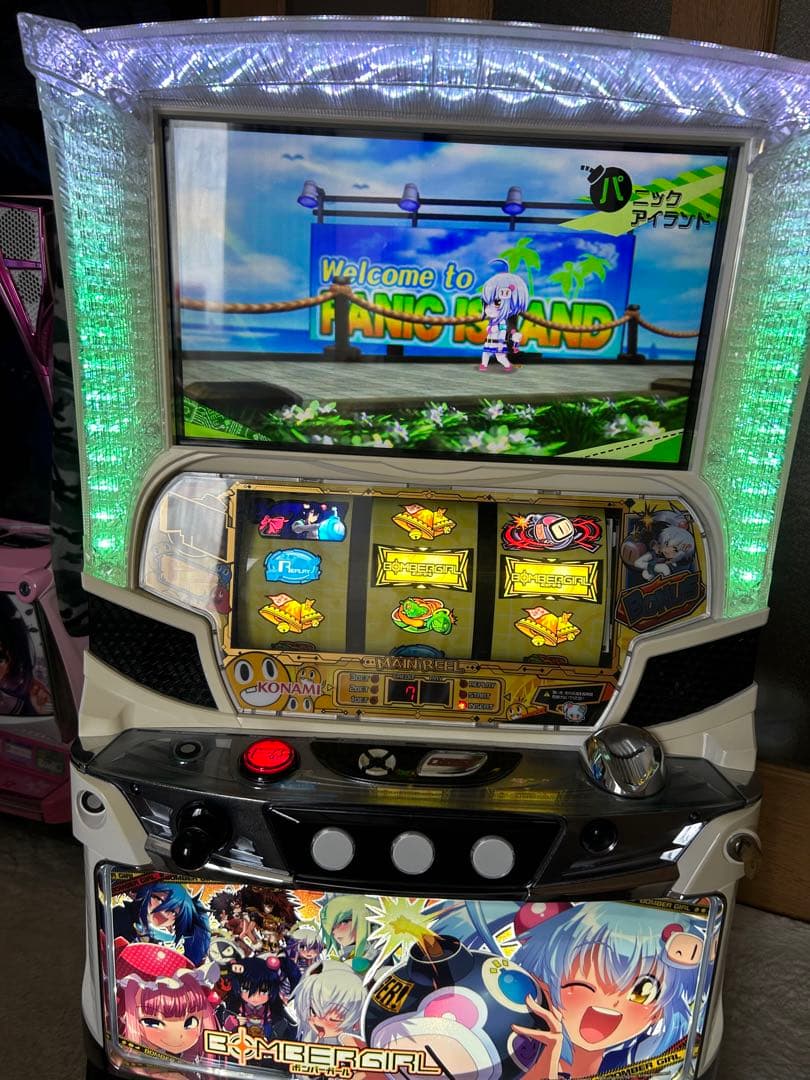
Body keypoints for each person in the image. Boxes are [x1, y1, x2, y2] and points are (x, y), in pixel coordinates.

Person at [512, 902, 702, 1079]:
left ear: (658, 1012)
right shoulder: (520, 1051)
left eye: (642, 993)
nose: (610, 1007)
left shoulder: (640, 1060)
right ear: (545, 983)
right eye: (581, 985)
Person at [478, 272, 528, 372]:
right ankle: (484, 365)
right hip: (489, 341)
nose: (490, 308)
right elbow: (490, 329)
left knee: (499, 357)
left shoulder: (502, 322)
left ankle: (507, 365)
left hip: (497, 342)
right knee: (486, 353)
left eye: (497, 303)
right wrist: (490, 329)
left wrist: (501, 342)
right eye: (487, 303)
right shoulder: (493, 320)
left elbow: (502, 332)